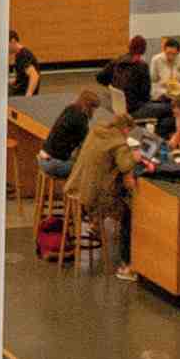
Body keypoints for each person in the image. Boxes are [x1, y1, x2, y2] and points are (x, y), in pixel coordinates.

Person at [65, 112, 139, 281]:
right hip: (94, 195)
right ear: (125, 129)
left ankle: (95, 223)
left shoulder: (96, 130)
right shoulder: (119, 143)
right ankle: (126, 262)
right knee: (128, 212)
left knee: (109, 185)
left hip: (76, 185)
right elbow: (125, 165)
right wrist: (134, 156)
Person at [38, 89, 100, 178]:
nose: (94, 112)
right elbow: (87, 143)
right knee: (88, 170)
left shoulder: (70, 109)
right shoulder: (81, 119)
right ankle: (72, 192)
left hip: (43, 158)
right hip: (53, 164)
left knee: (77, 161)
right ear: (90, 107)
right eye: (94, 109)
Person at [96, 36, 152, 117]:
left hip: (118, 106)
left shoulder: (117, 60)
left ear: (129, 47)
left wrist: (112, 85)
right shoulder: (143, 66)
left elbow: (99, 77)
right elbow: (145, 95)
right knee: (167, 109)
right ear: (144, 50)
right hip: (134, 109)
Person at [7, 30, 41, 97]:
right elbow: (23, 77)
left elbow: (34, 76)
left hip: (21, 94)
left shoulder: (23, 55)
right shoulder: (19, 54)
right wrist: (13, 81)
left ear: (13, 41)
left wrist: (28, 94)